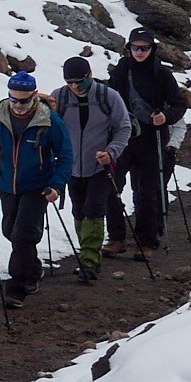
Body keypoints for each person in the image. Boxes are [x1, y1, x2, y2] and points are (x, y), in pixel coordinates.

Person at [0, 71, 72, 305]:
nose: (18, 105)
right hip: (6, 184)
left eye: (24, 100)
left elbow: (65, 154)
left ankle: (17, 286)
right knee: (9, 231)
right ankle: (33, 269)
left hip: (37, 187)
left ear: (34, 96)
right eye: (13, 99)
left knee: (23, 234)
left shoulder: (49, 119)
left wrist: (57, 185)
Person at [106, 28, 187, 257]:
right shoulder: (121, 71)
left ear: (152, 49)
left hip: (152, 140)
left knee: (147, 192)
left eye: (144, 47)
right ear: (129, 48)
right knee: (112, 187)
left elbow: (178, 104)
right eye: (135, 47)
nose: (139, 51)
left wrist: (166, 118)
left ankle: (146, 241)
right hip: (122, 138)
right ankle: (116, 238)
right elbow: (110, 99)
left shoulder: (161, 73)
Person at [51, 57, 131, 284]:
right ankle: (86, 253)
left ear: (89, 76)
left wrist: (111, 152)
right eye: (70, 83)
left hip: (101, 165)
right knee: (78, 210)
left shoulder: (108, 97)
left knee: (94, 208)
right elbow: (49, 125)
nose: (75, 87)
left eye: (79, 82)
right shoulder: (59, 97)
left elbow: (123, 127)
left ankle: (89, 261)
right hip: (71, 167)